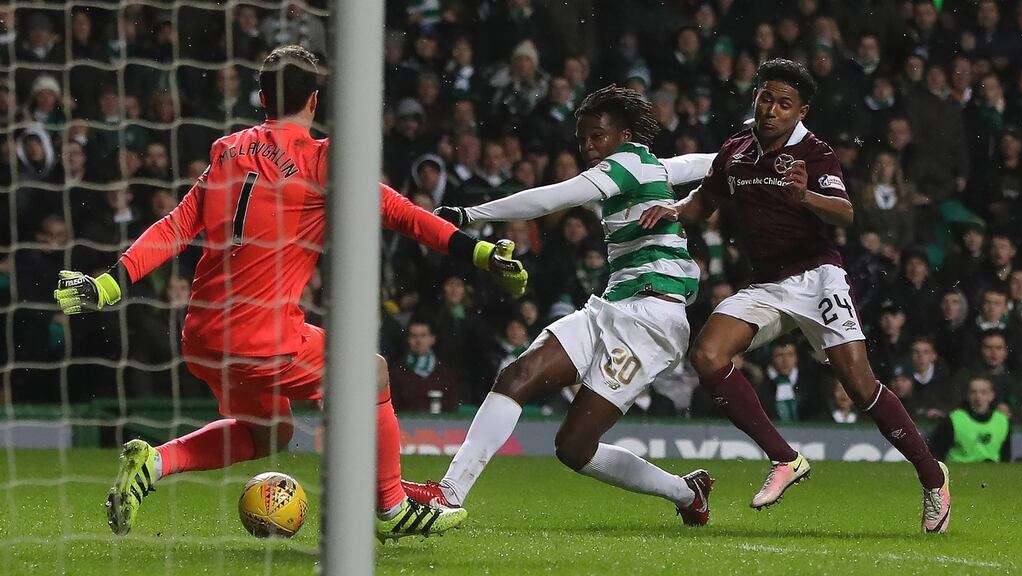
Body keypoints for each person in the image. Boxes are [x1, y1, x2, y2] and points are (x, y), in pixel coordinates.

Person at [51, 45, 528, 542]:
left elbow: (175, 227)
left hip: (202, 336)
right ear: (315, 100)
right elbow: (403, 214)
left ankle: (156, 461)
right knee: (374, 372)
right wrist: (479, 253)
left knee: (271, 431)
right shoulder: (323, 161)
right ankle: (392, 507)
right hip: (264, 338)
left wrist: (110, 281)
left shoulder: (227, 151)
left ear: (261, 97)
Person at [638, 59, 951, 532]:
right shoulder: (737, 149)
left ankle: (933, 477)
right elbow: (704, 202)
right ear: (756, 96)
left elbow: (844, 214)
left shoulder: (814, 153)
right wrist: (672, 210)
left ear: (801, 110)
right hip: (767, 284)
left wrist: (805, 197)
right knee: (706, 354)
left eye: (784, 104)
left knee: (859, 386)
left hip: (817, 277)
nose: (771, 110)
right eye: (766, 97)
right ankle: (784, 459)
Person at [403, 85, 716, 526]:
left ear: (624, 136)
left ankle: (686, 492)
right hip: (613, 306)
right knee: (518, 376)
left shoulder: (628, 163)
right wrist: (745, 157)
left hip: (652, 320)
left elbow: (553, 196)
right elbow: (701, 164)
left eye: (598, 137)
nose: (589, 147)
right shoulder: (650, 167)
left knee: (574, 446)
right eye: (583, 138)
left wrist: (469, 215)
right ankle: (449, 493)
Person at [930, 376, 1011, 463]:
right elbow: (937, 453)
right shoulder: (954, 420)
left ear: (991, 395)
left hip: (993, 472)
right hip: (959, 471)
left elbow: (1005, 458)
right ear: (968, 395)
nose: (978, 397)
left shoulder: (1002, 421)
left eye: (983, 392)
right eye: (973, 392)